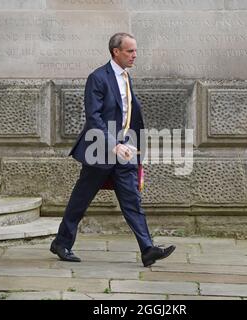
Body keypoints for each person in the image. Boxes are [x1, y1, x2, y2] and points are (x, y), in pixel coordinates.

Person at [50, 32, 175, 267]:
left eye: (136, 50)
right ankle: (61, 243)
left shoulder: (126, 77)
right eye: (130, 51)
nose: (135, 55)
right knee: (81, 199)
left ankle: (147, 249)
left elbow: (126, 116)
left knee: (132, 201)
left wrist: (130, 144)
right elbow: (94, 117)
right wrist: (113, 144)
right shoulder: (97, 78)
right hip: (100, 150)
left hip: (124, 152)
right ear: (115, 52)